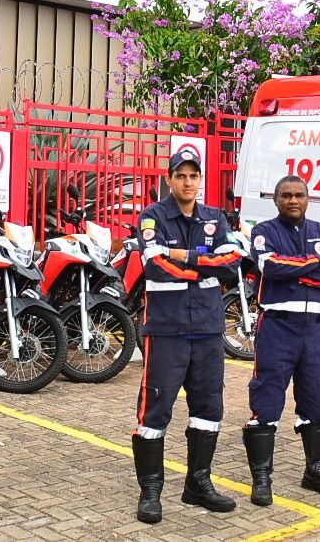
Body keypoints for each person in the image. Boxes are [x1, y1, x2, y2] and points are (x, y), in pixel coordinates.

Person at [129, 146, 242, 523]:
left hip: (208, 329)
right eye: (181, 175)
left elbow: (232, 263)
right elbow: (155, 266)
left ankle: (198, 484)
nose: (188, 181)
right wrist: (203, 269)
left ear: (200, 179)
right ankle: (151, 492)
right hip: (167, 330)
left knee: (209, 408)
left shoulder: (215, 217)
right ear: (169, 179)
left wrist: (186, 257)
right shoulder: (153, 217)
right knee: (155, 409)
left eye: (193, 175)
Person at [243, 175, 320, 506]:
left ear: (308, 198)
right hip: (278, 327)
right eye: (286, 195)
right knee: (267, 400)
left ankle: (315, 472)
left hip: (316, 330)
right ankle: (262, 479)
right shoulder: (264, 232)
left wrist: (298, 270)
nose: (293, 200)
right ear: (276, 200)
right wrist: (318, 265)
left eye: (299, 195)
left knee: (318, 401)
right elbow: (270, 267)